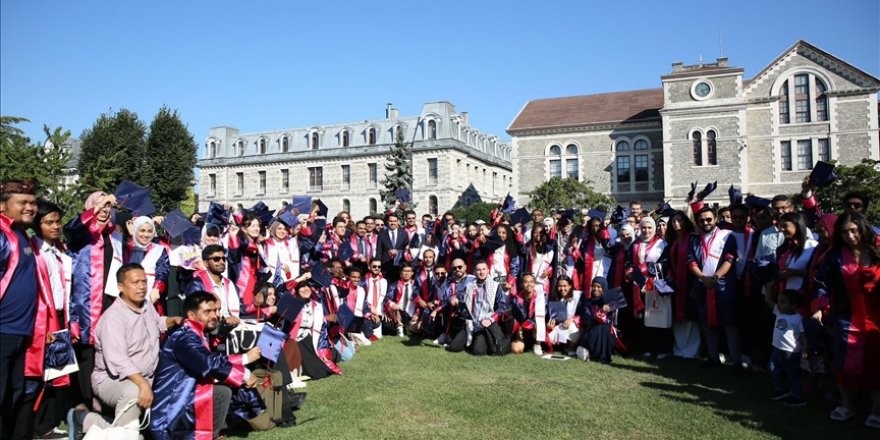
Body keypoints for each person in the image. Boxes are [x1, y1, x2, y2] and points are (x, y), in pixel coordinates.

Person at [67, 263, 181, 438]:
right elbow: (119, 361)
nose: (142, 286)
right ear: (121, 286)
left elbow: (156, 323)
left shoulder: (147, 305)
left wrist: (173, 320)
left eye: (144, 281)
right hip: (113, 380)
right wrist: (143, 384)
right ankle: (109, 427)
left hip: (147, 376)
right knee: (133, 393)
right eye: (135, 282)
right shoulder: (113, 318)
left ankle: (90, 421)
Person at [149, 291, 260, 439]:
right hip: (170, 412)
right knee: (226, 389)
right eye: (207, 312)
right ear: (191, 315)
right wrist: (244, 369)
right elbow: (208, 363)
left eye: (215, 310)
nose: (214, 315)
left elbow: (209, 360)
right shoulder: (184, 337)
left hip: (186, 396)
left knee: (224, 391)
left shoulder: (196, 333)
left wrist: (241, 363)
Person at [816, 212, 880, 427]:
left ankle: (876, 411)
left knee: (875, 365)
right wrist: (819, 307)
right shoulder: (834, 256)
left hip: (876, 318)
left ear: (862, 229)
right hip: (846, 317)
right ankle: (846, 405)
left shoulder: (877, 250)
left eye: (854, 230)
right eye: (844, 231)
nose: (850, 235)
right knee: (843, 363)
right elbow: (821, 284)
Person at [0, 179, 40, 439]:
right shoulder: (3, 236)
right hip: (2, 331)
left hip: (20, 333)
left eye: (33, 203)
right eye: (22, 202)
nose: (30, 207)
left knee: (11, 394)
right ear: (3, 206)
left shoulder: (20, 234)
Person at [689, 207, 741, 368]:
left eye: (709, 219)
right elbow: (691, 262)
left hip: (724, 287)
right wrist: (703, 278)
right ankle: (713, 358)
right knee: (707, 324)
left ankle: (736, 361)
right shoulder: (695, 239)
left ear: (716, 219)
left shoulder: (727, 236)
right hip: (702, 285)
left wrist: (715, 277)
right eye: (702, 220)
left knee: (730, 325)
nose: (705, 222)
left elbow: (729, 259)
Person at [446, 261, 508, 356]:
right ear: (475, 272)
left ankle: (480, 342)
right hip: (470, 324)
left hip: (485, 325)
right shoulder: (469, 285)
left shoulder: (495, 285)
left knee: (478, 351)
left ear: (488, 271)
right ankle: (472, 340)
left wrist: (491, 319)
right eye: (478, 269)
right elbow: (458, 295)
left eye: (484, 269)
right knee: (453, 347)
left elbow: (502, 306)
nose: (481, 272)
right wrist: (453, 298)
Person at [767, 289, 807, 407]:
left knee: (793, 375)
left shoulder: (799, 318)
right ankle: (781, 389)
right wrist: (769, 288)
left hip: (791, 353)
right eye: (779, 301)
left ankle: (797, 396)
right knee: (773, 368)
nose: (779, 304)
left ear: (793, 305)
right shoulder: (779, 312)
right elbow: (768, 300)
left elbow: (803, 335)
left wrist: (805, 349)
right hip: (776, 349)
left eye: (783, 302)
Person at [124, 216, 170, 309]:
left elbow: (163, 270)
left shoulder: (159, 250)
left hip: (150, 294)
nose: (146, 235)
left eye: (149, 231)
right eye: (142, 230)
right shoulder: (126, 248)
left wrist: (157, 288)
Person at [186, 244, 241, 322]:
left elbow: (238, 309)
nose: (222, 262)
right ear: (206, 263)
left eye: (223, 259)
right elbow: (197, 317)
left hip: (231, 326)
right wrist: (224, 321)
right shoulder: (196, 285)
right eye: (216, 259)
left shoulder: (229, 284)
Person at [575, 277, 620, 364]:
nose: (595, 289)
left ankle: (602, 355)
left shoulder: (610, 303)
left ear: (604, 288)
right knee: (600, 327)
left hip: (607, 333)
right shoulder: (587, 302)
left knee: (606, 327)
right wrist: (599, 313)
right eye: (594, 286)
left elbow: (614, 320)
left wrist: (609, 309)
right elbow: (587, 320)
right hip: (591, 332)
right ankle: (596, 354)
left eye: (599, 287)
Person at [375, 213, 408, 282]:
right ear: (387, 221)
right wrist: (378, 267)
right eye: (391, 221)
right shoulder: (382, 234)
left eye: (394, 221)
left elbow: (407, 251)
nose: (392, 223)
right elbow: (379, 251)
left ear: (398, 222)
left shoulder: (404, 234)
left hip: (399, 266)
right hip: (386, 267)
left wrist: (398, 252)